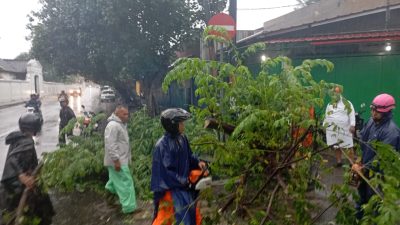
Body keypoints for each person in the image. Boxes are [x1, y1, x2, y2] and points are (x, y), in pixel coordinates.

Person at [151, 108, 208, 225]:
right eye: (181, 123)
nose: (183, 126)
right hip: (170, 190)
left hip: (182, 186)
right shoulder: (162, 146)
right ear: (173, 125)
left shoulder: (182, 138)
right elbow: (166, 173)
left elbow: (189, 155)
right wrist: (185, 181)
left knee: (189, 214)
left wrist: (198, 162)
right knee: (175, 218)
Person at [351, 93, 400, 219]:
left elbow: (382, 159)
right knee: (361, 201)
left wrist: (363, 168)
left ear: (387, 112)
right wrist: (359, 161)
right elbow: (363, 141)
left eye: (376, 111)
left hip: (379, 177)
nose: (373, 113)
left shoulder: (391, 132)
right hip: (365, 172)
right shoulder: (371, 122)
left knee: (375, 205)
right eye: (372, 109)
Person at [0, 113, 55, 225]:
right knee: (41, 207)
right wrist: (22, 176)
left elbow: (20, 159)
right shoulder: (27, 142)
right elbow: (13, 159)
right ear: (35, 127)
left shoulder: (17, 139)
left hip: (8, 186)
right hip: (16, 188)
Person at [104, 105, 137, 214]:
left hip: (120, 159)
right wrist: (116, 160)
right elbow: (111, 144)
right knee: (126, 183)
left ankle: (109, 198)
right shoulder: (113, 125)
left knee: (114, 181)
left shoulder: (120, 124)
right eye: (124, 114)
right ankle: (129, 208)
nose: (127, 116)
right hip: (118, 161)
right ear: (117, 114)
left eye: (127, 114)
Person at [324, 86, 356, 167]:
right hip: (333, 130)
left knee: (349, 145)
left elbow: (351, 114)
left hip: (345, 129)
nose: (335, 94)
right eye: (333, 93)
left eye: (337, 92)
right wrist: (325, 125)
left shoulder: (347, 103)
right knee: (336, 146)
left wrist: (352, 125)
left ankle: (352, 163)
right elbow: (326, 115)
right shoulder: (330, 104)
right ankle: (339, 161)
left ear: (340, 93)